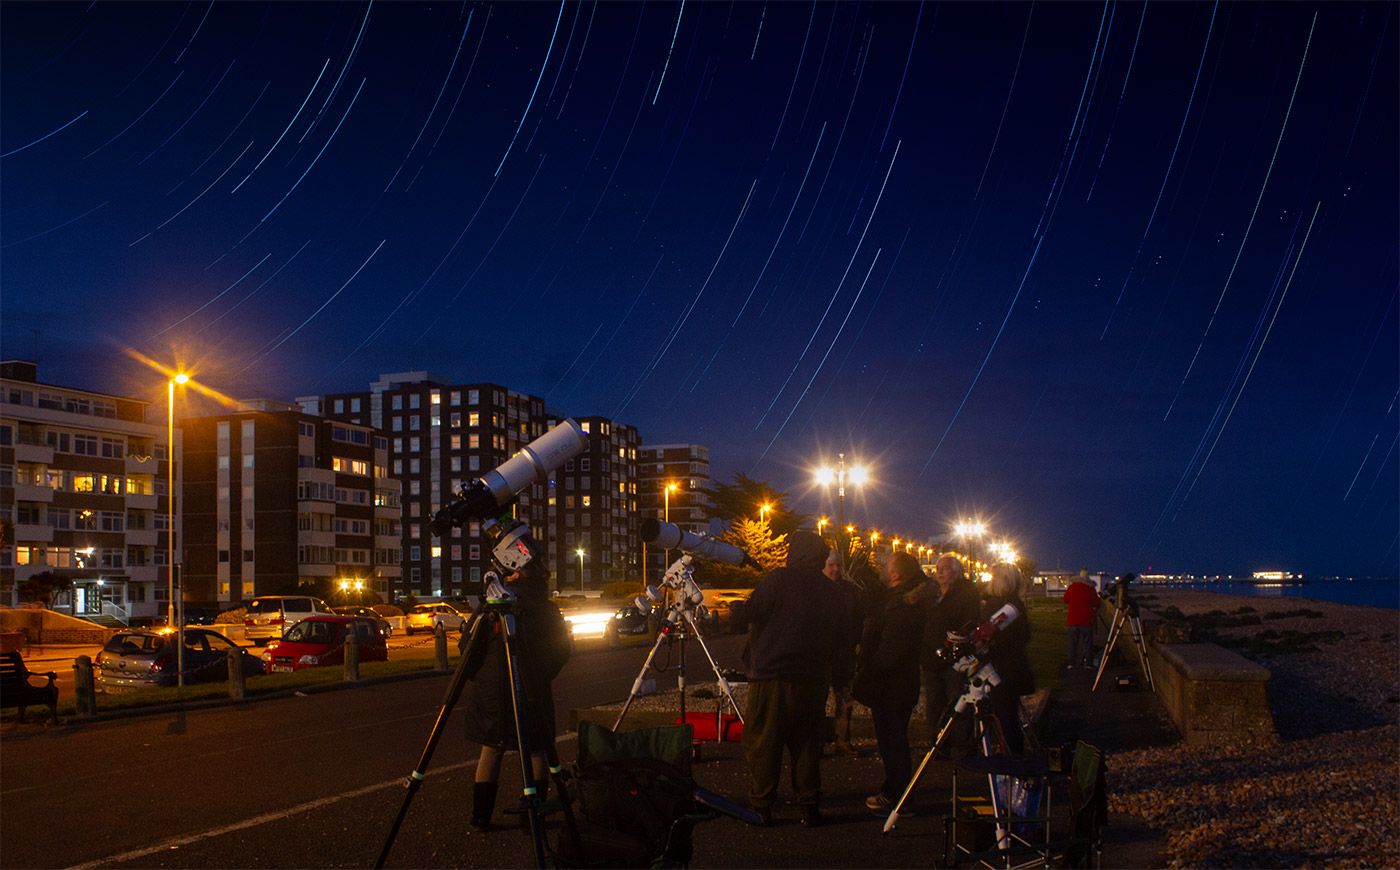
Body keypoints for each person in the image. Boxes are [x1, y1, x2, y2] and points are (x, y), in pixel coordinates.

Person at [729, 530, 840, 827]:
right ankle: (809, 805)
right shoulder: (829, 588)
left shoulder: (780, 579)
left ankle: (762, 805)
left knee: (764, 742)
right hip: (813, 679)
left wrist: (734, 609)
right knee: (806, 745)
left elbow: (749, 612)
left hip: (773, 677)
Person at [461, 566, 573, 832]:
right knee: (536, 749)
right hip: (533, 689)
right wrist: (542, 675)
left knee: (491, 747)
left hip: (493, 692)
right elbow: (561, 650)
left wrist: (482, 678)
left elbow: (467, 647)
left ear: (512, 576)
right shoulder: (546, 609)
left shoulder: (492, 605)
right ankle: (532, 817)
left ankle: (481, 816)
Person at [852, 550, 930, 814]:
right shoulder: (900, 600)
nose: (882, 569)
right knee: (894, 740)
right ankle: (897, 791)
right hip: (898, 685)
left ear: (896, 575)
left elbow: (890, 652)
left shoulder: (902, 607)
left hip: (892, 687)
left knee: (893, 742)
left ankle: (898, 795)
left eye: (886, 567)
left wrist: (866, 673)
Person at [919, 554, 981, 758]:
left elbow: (970, 622)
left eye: (944, 568)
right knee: (934, 704)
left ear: (956, 571)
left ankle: (962, 747)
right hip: (931, 659)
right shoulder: (935, 595)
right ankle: (939, 745)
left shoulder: (965, 594)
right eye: (938, 568)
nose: (939, 571)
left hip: (953, 660)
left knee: (958, 703)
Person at [980, 562, 1034, 755]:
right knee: (1008, 714)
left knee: (1005, 716)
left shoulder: (1001, 608)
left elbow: (988, 636)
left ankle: (1013, 758)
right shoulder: (1015, 605)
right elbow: (1025, 635)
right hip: (1013, 667)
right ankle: (1014, 753)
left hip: (1001, 669)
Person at [825, 549, 865, 755]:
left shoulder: (849, 590)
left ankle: (842, 739)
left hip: (844, 653)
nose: (835, 569)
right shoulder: (814, 588)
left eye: (837, 565)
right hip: (822, 653)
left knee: (844, 699)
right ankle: (817, 742)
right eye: (831, 565)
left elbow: (859, 618)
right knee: (817, 700)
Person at [1064, 569, 1099, 670]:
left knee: (1072, 643)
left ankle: (1071, 663)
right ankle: (1088, 663)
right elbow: (1096, 602)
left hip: (1073, 620)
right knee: (1088, 643)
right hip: (1087, 620)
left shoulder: (1071, 587)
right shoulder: (1090, 589)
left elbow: (1066, 599)